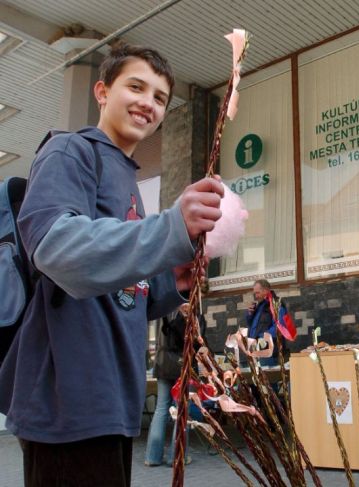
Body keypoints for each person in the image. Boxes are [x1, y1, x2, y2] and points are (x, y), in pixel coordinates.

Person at [0, 44, 223, 487]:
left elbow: (123, 294)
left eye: (160, 97)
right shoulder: (70, 152)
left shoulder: (130, 181)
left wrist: (168, 280)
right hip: (67, 403)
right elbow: (57, 248)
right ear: (101, 91)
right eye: (136, 86)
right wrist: (170, 228)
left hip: (111, 400)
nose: (148, 102)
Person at [144, 303, 206, 467]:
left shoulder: (163, 307)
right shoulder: (193, 314)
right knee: (181, 410)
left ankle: (152, 456)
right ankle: (176, 457)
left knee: (161, 408)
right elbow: (195, 345)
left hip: (163, 364)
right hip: (182, 365)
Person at [245, 279, 285, 366]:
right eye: (254, 293)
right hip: (255, 349)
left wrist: (261, 337)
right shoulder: (260, 306)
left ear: (266, 291)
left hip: (268, 351)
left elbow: (279, 327)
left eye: (257, 293)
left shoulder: (276, 304)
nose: (255, 296)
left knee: (267, 377)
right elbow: (251, 325)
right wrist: (249, 314)